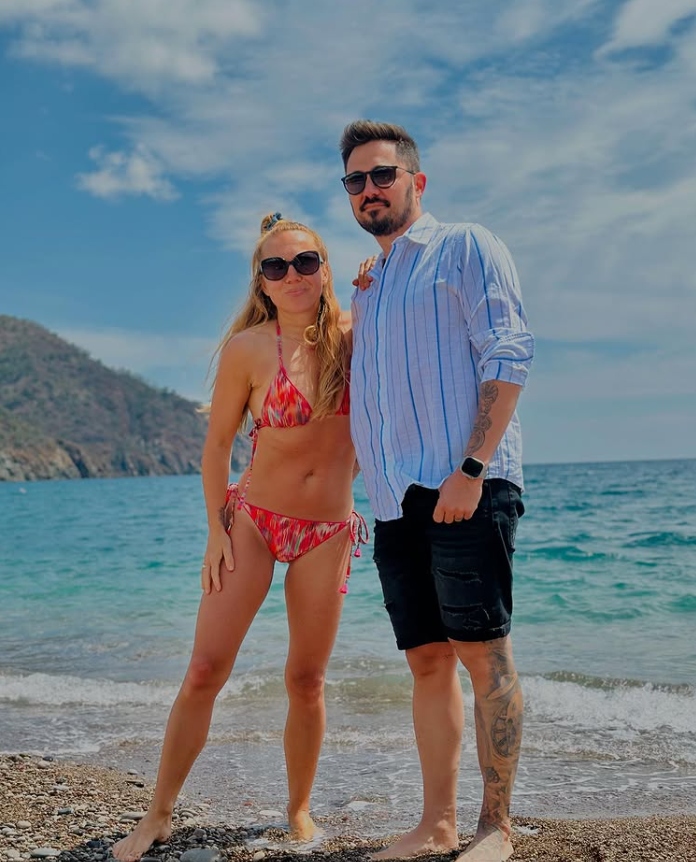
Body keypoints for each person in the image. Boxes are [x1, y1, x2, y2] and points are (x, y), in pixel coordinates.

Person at [113, 213, 366, 862]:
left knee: (306, 679)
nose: (292, 275)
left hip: (328, 530)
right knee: (204, 670)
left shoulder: (358, 332)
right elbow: (217, 445)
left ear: (325, 268)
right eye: (276, 266)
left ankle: (299, 809)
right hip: (252, 520)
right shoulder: (248, 350)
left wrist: (378, 282)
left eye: (305, 261)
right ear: (262, 281)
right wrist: (213, 533)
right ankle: (158, 814)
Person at [339, 121, 534, 862]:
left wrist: (473, 468)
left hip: (464, 485)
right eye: (355, 181)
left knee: (484, 655)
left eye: (382, 174)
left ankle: (496, 827)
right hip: (395, 500)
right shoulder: (372, 283)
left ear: (416, 181)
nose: (369, 189)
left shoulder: (465, 246)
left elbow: (509, 351)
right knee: (426, 661)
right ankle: (438, 824)